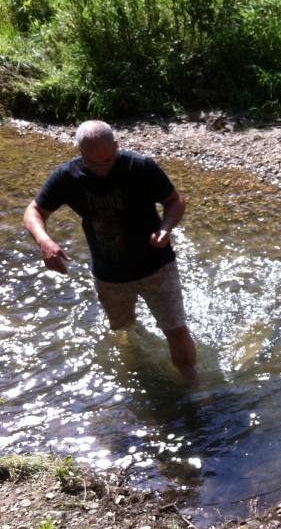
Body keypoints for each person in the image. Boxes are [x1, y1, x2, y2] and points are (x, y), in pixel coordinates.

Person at [23, 120, 197, 379]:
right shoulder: (67, 176)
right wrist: (44, 241)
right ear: (80, 152)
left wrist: (167, 228)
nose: (101, 169)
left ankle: (192, 382)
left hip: (156, 265)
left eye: (107, 161)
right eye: (93, 164)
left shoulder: (140, 167)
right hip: (109, 275)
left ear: (116, 146)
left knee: (176, 329)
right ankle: (139, 376)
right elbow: (34, 211)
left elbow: (175, 200)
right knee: (122, 329)